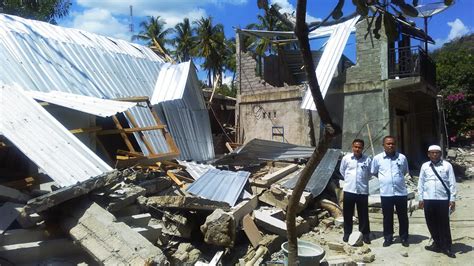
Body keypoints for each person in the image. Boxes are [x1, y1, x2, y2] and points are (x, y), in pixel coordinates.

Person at [418, 145, 457, 258]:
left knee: (443, 224)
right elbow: (421, 182)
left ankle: (447, 247)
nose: (434, 154)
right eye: (432, 153)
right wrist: (420, 198)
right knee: (431, 222)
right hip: (428, 198)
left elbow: (452, 183)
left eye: (437, 153)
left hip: (442, 199)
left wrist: (452, 199)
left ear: (440, 154)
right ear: (428, 154)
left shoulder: (447, 166)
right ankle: (437, 244)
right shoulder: (424, 166)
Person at [371, 136, 409, 247]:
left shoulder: (402, 158)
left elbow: (404, 171)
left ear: (395, 145)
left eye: (392, 143)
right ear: (383, 145)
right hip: (386, 193)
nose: (390, 145)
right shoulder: (377, 158)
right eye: (388, 144)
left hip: (401, 192)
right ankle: (388, 237)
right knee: (387, 216)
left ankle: (404, 237)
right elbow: (374, 172)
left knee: (403, 216)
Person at [339, 139, 372, 244]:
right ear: (352, 147)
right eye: (355, 147)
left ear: (362, 148)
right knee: (348, 213)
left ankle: (365, 234)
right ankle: (347, 233)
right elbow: (342, 171)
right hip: (349, 190)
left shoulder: (367, 160)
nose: (357, 149)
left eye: (359, 147)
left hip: (362, 191)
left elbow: (370, 174)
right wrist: (350, 180)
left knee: (363, 214)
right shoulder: (346, 158)